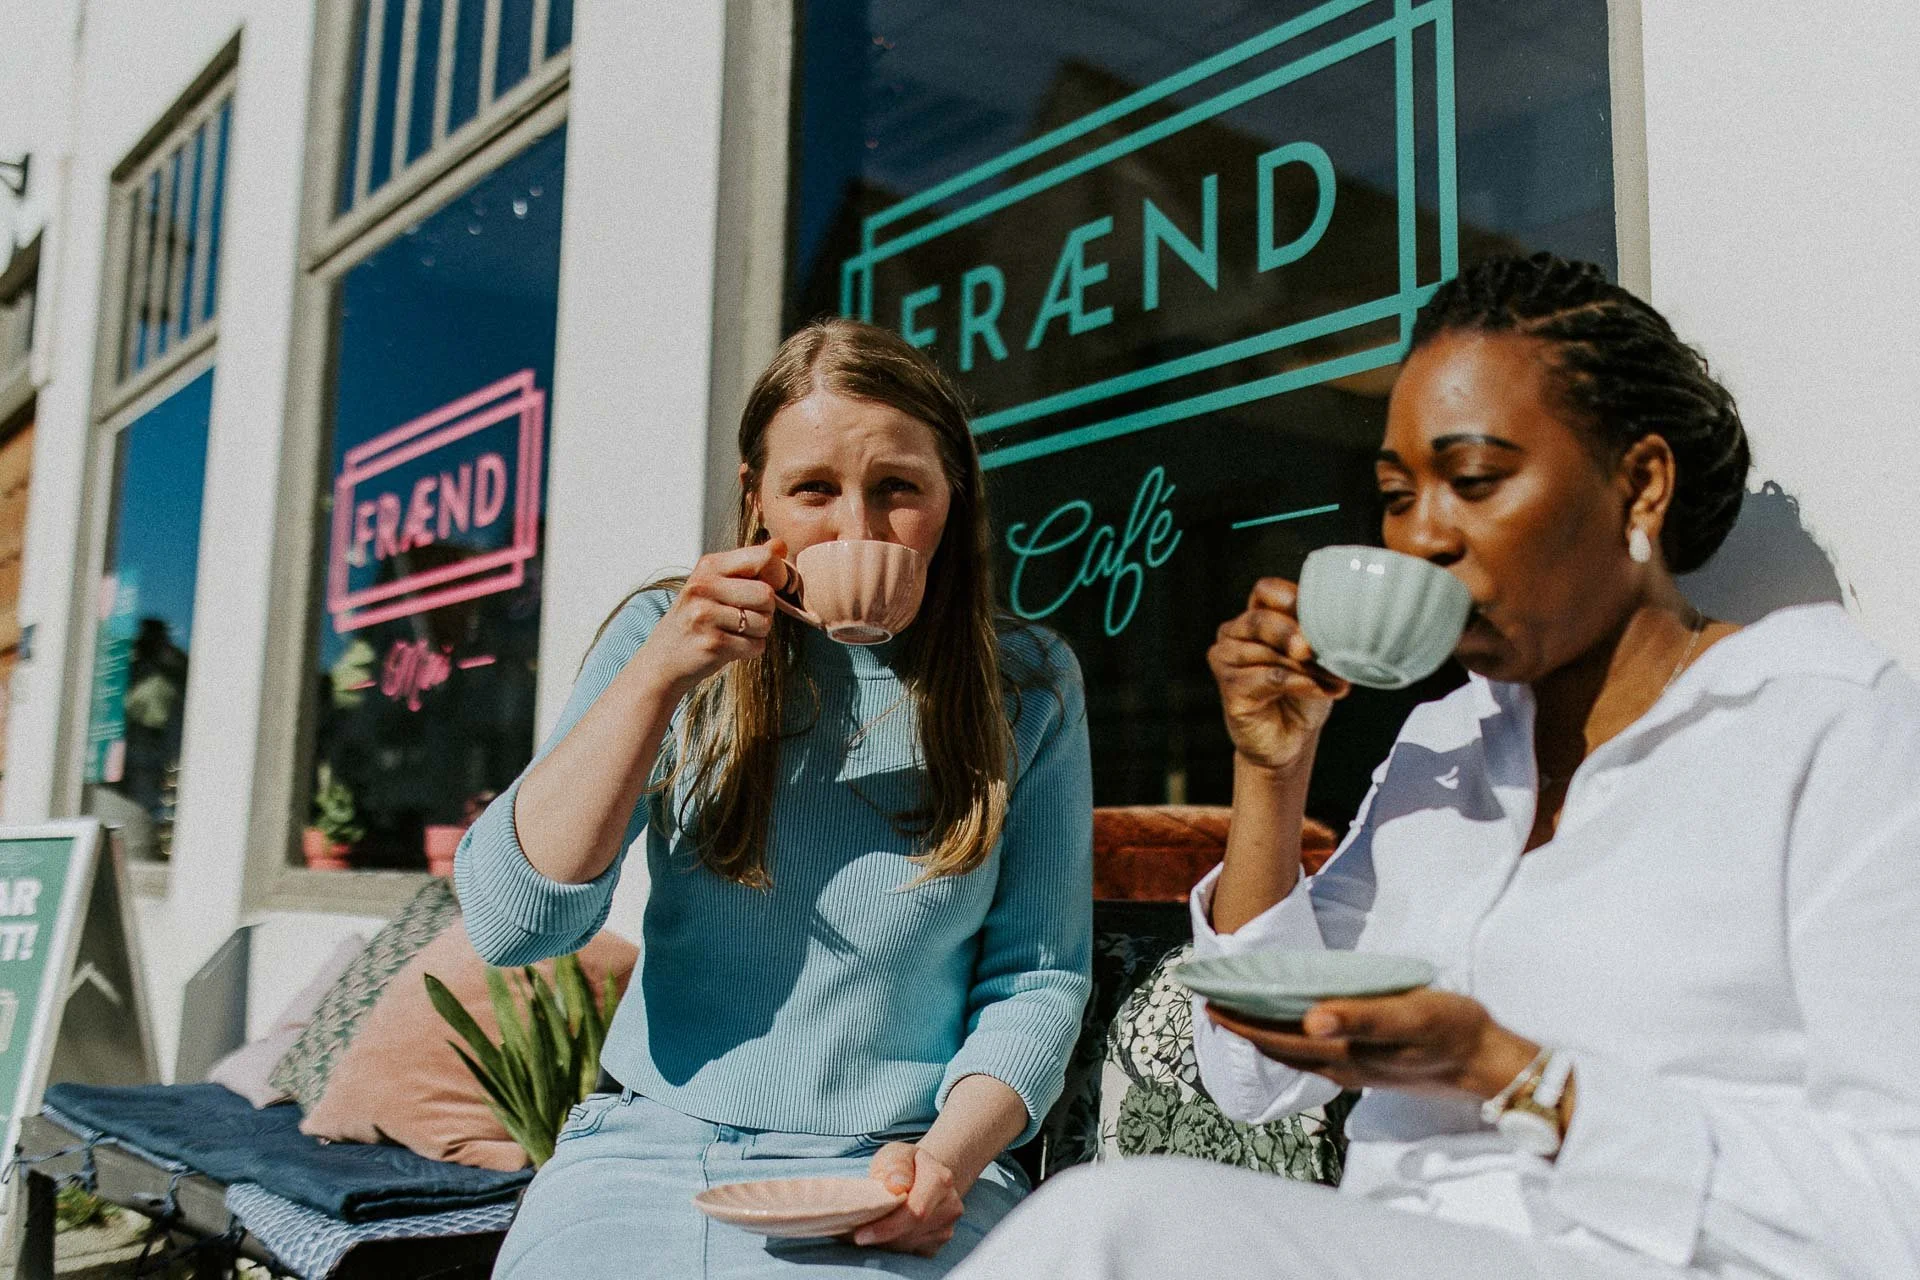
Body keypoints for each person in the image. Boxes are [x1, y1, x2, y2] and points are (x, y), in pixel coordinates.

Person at [953, 253, 1920, 1279]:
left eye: (1473, 482)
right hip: (1401, 1246)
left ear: (1639, 483)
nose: (1421, 535)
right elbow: (1248, 1073)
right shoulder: (1446, 744)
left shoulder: (1830, 729)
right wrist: (1271, 772)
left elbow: (1898, 1209)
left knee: (1117, 1225)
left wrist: (1509, 1071)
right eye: (1395, 493)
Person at [456, 319, 1092, 1278]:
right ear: (757, 500)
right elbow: (514, 926)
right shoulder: (664, 639)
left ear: (952, 497)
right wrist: (658, 678)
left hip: (895, 1163)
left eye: (898, 490)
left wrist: (942, 1166)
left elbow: (1036, 982)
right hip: (648, 1150)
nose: (858, 530)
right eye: (813, 490)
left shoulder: (1027, 682)